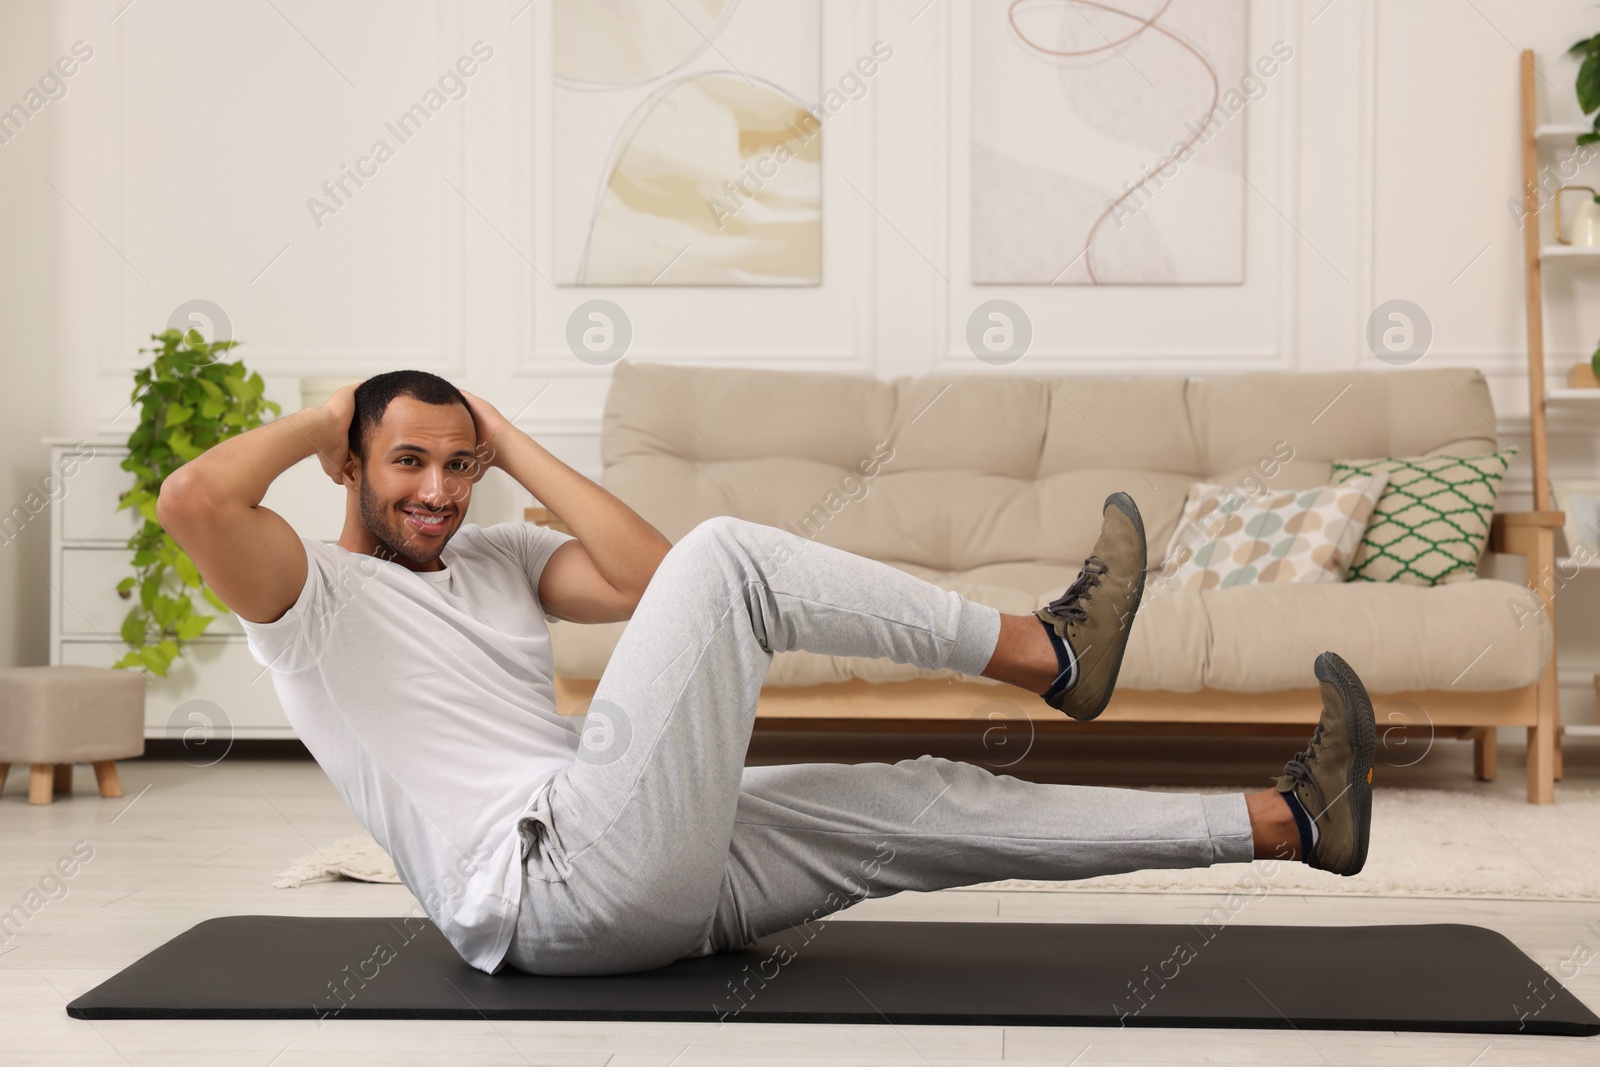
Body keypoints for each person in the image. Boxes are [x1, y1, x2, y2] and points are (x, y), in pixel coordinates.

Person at [157, 369, 1376, 978]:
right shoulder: (305, 597)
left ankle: (1286, 820)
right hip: (546, 883)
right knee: (733, 556)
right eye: (408, 462)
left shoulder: (496, 555)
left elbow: (645, 579)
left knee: (933, 794)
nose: (438, 490)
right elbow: (193, 495)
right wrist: (335, 415)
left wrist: (507, 435)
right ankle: (1050, 651)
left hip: (635, 858)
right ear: (351, 467)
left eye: (459, 465)